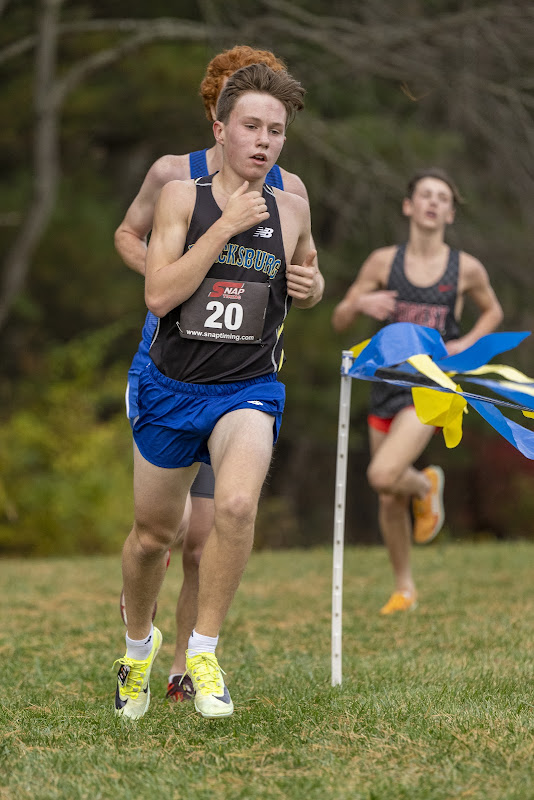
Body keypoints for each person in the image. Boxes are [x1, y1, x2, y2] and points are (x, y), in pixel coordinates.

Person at [113, 63, 323, 721]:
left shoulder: (293, 207)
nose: (263, 141)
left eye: (275, 131)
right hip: (171, 387)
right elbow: (159, 295)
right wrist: (225, 225)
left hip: (247, 387)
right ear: (221, 129)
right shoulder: (181, 196)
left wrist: (312, 287)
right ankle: (138, 650)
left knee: (234, 506)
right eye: (251, 127)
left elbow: (309, 274)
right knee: (153, 537)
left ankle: (202, 653)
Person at [332, 168, 503, 614]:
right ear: (408, 206)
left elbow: (493, 311)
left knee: (382, 474)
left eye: (442, 198)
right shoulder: (382, 262)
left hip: (431, 387)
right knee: (389, 496)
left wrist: (466, 344)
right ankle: (404, 588)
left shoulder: (465, 268)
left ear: (450, 213)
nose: (432, 202)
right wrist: (359, 303)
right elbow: (340, 319)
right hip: (385, 382)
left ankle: (426, 487)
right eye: (425, 195)